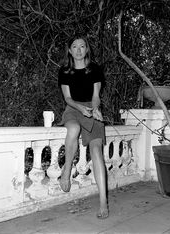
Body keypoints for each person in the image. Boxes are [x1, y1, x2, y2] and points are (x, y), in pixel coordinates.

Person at [58, 34, 109, 219]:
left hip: (91, 109)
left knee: (96, 152)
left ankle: (103, 202)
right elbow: (68, 98)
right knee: (73, 129)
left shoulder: (94, 69)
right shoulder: (64, 71)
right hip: (73, 109)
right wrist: (81, 108)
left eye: (82, 46)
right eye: (75, 46)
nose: (79, 50)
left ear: (87, 49)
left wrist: (94, 109)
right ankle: (66, 170)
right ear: (70, 50)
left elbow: (96, 96)